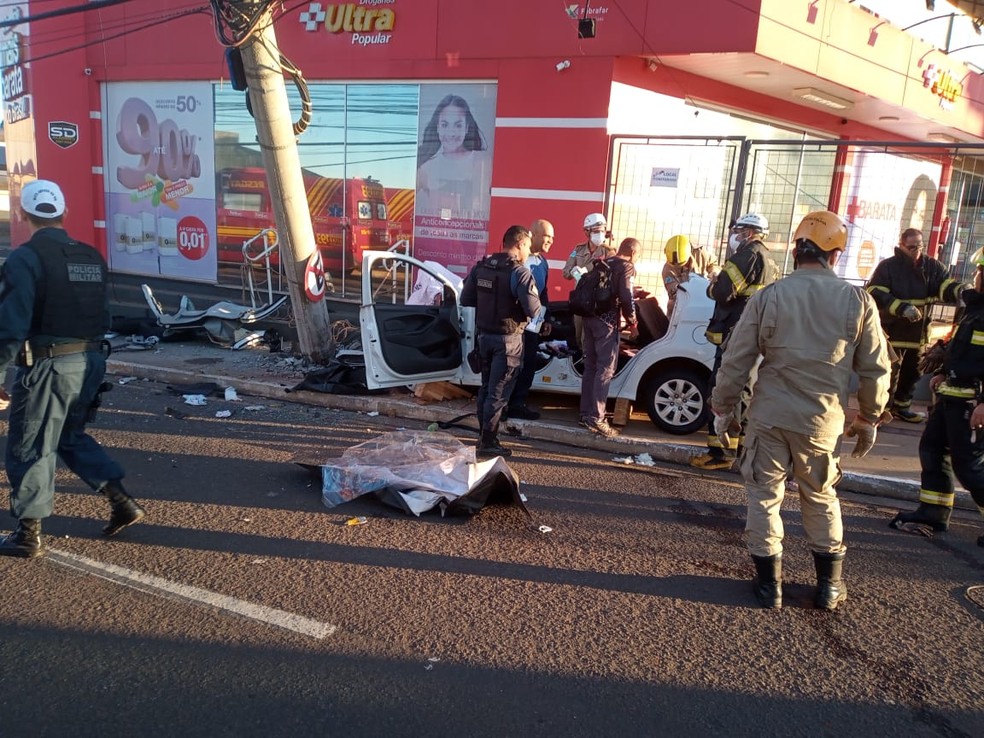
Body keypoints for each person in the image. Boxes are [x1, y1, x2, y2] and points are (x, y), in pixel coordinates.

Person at [711, 210, 891, 611]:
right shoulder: (857, 301)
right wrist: (868, 417)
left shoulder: (770, 296)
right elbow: (875, 367)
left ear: (797, 249)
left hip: (770, 416)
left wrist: (723, 408)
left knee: (764, 496)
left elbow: (737, 358)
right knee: (821, 496)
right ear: (835, 254)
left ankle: (768, 586)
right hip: (822, 421)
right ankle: (829, 588)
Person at [0, 180, 146, 558]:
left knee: (31, 444)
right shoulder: (90, 257)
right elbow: (105, 314)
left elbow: (11, 325)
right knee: (69, 436)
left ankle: (28, 535)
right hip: (91, 362)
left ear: (22, 214)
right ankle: (121, 502)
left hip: (50, 364)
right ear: (64, 214)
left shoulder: (24, 258)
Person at [889, 251, 984, 543]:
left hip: (972, 401)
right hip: (951, 395)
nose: (978, 275)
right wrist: (943, 370)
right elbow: (963, 347)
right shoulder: (974, 306)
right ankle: (934, 511)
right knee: (932, 451)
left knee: (968, 465)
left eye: (983, 271)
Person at [691, 213, 777, 471]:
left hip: (735, 335)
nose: (735, 236)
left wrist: (713, 282)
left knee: (724, 390)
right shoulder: (768, 258)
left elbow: (721, 292)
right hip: (751, 335)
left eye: (738, 230)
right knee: (744, 392)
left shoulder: (746, 256)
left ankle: (720, 454)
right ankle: (737, 450)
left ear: (749, 232)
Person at [865, 228, 965, 423]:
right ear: (901, 245)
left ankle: (902, 407)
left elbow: (944, 286)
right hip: (892, 330)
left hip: (918, 332)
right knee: (888, 372)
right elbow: (875, 292)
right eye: (911, 247)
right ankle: (882, 410)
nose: (916, 251)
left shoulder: (932, 266)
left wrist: (960, 290)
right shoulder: (888, 267)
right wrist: (902, 308)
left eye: (920, 246)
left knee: (913, 372)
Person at [460, 225, 541, 458]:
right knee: (498, 392)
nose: (528, 251)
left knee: (486, 389)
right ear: (520, 244)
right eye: (527, 246)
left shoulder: (481, 267)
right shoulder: (520, 273)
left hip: (484, 338)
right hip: (508, 341)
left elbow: (467, 298)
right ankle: (488, 441)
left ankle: (483, 435)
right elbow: (533, 309)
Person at [579, 237, 638, 438]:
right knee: (605, 369)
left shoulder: (604, 262)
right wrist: (633, 322)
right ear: (634, 252)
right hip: (607, 323)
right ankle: (598, 418)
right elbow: (627, 296)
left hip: (589, 319)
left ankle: (586, 414)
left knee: (591, 367)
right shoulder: (626, 267)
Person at [416, 94, 492, 219]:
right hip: (438, 234)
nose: (451, 133)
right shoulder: (427, 168)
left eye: (458, 125)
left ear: (467, 128)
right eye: (445, 125)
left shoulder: (483, 162)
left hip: (473, 234)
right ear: (438, 128)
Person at [508, 218, 554, 421]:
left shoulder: (543, 262)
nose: (550, 241)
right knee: (510, 365)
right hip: (514, 324)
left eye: (552, 238)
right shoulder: (519, 261)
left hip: (533, 326)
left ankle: (518, 403)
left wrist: (545, 320)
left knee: (528, 363)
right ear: (532, 235)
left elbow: (543, 295)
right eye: (547, 236)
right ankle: (503, 405)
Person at [562, 213, 616, 350]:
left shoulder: (608, 252)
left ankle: (587, 366)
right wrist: (575, 272)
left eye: (603, 230)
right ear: (587, 232)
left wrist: (588, 272)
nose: (600, 234)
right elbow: (566, 272)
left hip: (597, 303)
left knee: (589, 339)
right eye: (596, 231)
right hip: (580, 300)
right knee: (578, 336)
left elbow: (610, 275)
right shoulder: (578, 249)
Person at [661, 234, 718, 318]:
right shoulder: (667, 270)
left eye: (680, 264)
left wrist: (714, 273)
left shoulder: (700, 253)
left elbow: (713, 263)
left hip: (705, 299)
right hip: (684, 305)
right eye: (674, 264)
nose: (677, 266)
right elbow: (675, 295)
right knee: (671, 304)